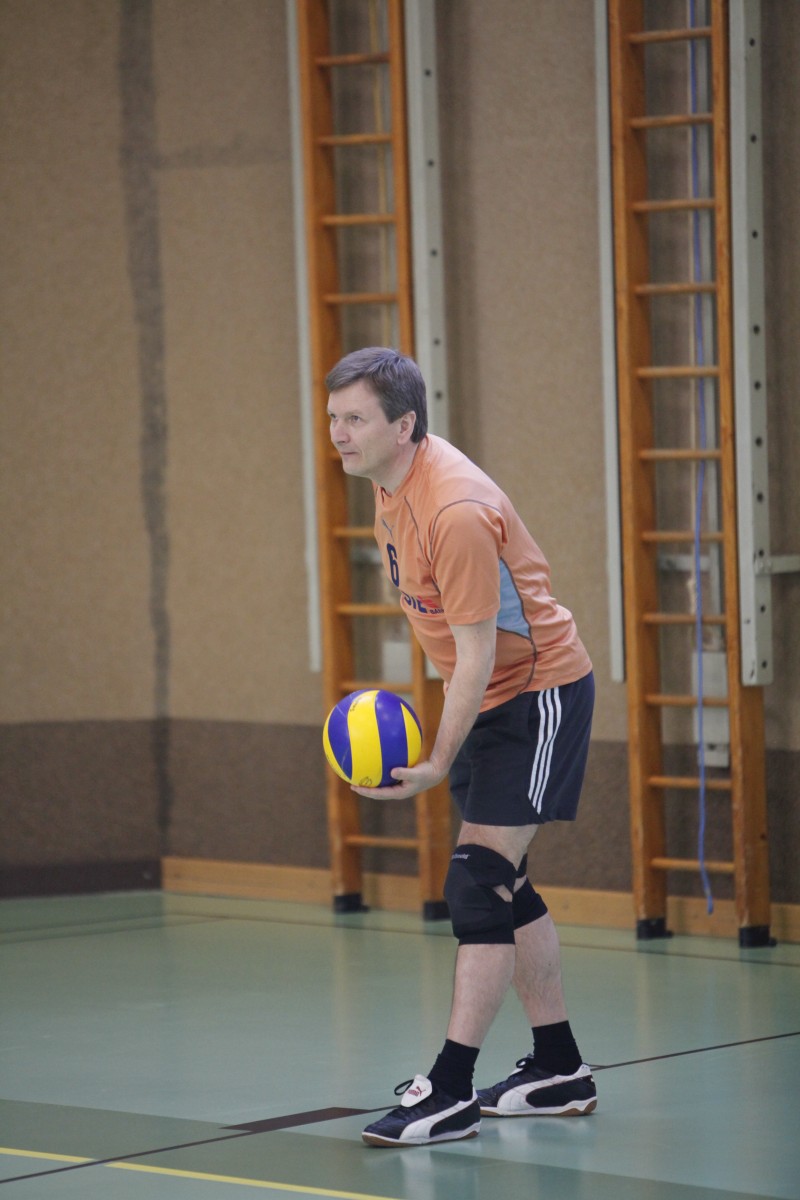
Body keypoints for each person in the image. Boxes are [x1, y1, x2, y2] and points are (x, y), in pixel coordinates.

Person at [325, 346, 597, 1149]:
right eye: (334, 417)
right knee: (504, 882)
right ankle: (560, 1068)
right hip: (486, 697)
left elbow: (477, 654)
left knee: (477, 883)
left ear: (404, 425)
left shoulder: (455, 511)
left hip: (537, 695)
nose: (338, 433)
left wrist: (438, 760)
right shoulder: (389, 486)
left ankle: (449, 1091)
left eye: (355, 419)